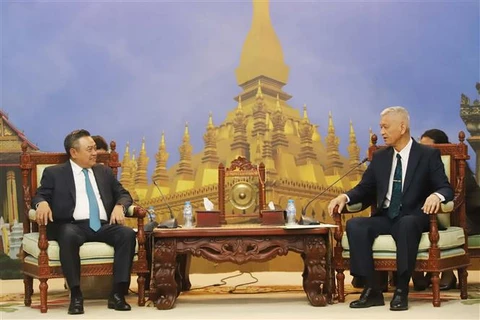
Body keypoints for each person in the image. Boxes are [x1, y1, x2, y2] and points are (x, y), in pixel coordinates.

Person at [328, 106, 453, 311]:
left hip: (414, 215)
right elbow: (365, 188)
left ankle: (402, 290)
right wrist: (345, 196)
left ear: (402, 127)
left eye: (385, 127)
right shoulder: (380, 157)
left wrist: (435, 196)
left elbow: (445, 188)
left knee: (406, 224)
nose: (382, 132)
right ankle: (372, 289)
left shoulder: (427, 155)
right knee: (356, 225)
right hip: (386, 215)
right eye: (380, 127)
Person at [32, 129, 136, 315]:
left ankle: (118, 293)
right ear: (74, 152)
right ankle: (76, 294)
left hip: (102, 225)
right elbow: (40, 195)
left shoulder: (103, 171)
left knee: (126, 234)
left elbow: (123, 194)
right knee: (67, 234)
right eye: (89, 149)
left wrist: (120, 205)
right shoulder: (55, 173)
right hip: (72, 225)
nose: (95, 153)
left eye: (95, 148)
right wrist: (42, 203)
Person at [411, 129, 480, 291]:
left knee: (441, 223)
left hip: (469, 215)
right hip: (440, 214)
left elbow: (455, 196)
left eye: (428, 147)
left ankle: (447, 273)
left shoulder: (455, 163)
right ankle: (421, 272)